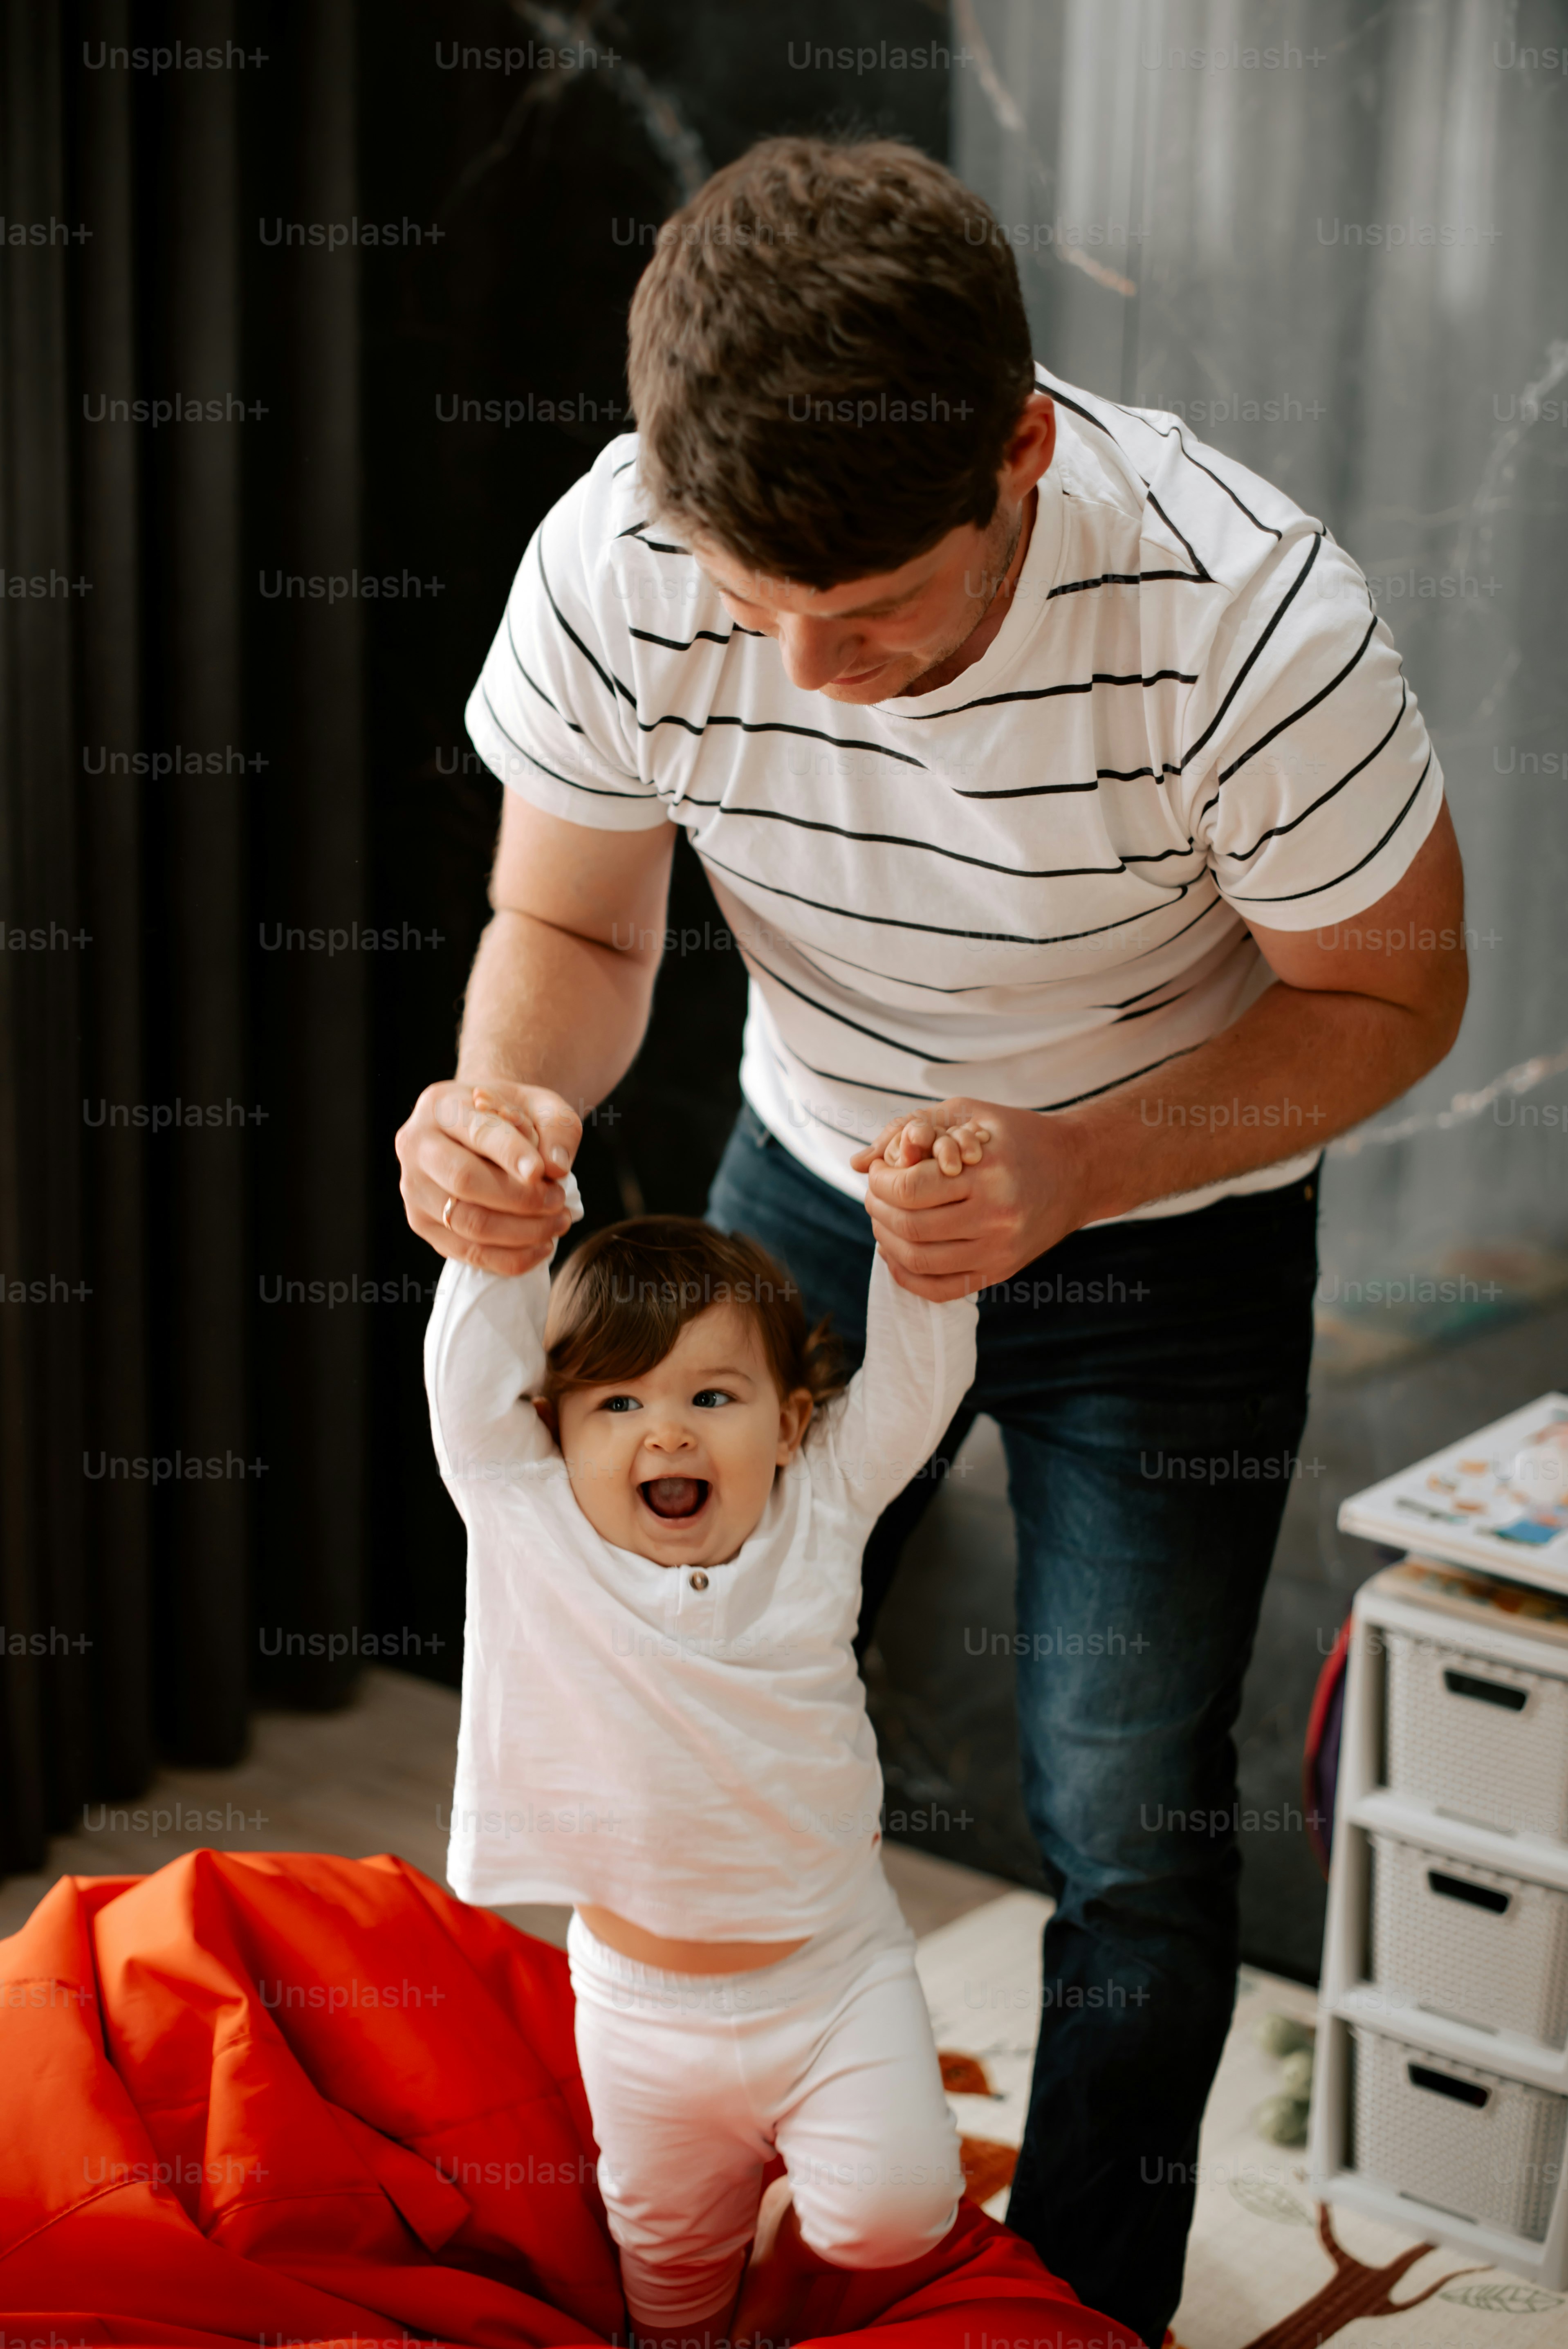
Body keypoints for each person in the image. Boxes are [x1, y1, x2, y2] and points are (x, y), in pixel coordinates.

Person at [396, 136, 1468, 2346]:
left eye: (867, 612)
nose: (803, 669)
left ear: (1019, 449)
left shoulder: (1242, 619)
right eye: (747, 598)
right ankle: (608, 2230)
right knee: (655, 1698)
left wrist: (1076, 1163)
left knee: (1123, 1827)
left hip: (1164, 1227)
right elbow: (571, 920)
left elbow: (1393, 990)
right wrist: (522, 1105)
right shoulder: (616, 556)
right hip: (801, 1179)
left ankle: (1056, 2319)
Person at [426, 1092, 993, 2349]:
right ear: (553, 1431)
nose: (667, 1427)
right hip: (639, 2008)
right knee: (669, 2279)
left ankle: (791, 2264)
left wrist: (919, 1241)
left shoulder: (822, 1510)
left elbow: (917, 1386)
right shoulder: (531, 1521)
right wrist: (510, 1227)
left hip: (833, 1973)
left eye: (714, 1398)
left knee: (895, 2215)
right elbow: (470, 1382)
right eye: (617, 1404)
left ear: (790, 1427)